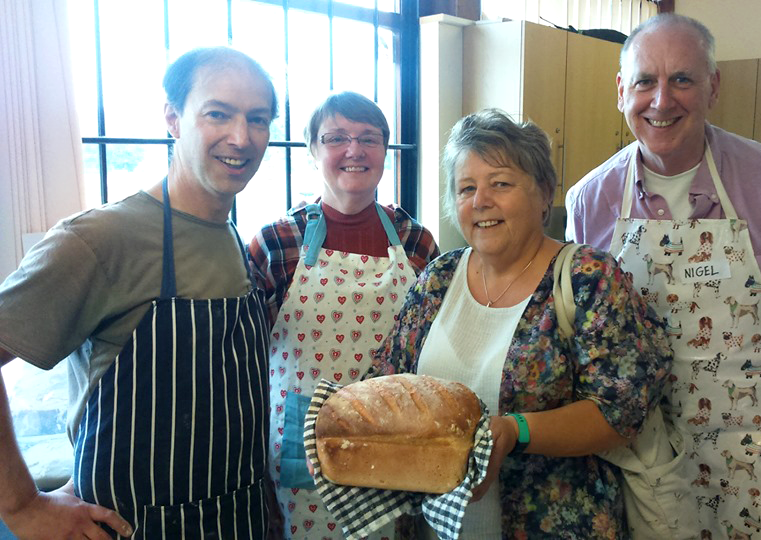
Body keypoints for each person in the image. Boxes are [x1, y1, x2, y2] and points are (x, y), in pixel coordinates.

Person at [565, 13, 761, 538]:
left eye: (683, 79)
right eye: (646, 81)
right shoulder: (590, 200)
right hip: (643, 459)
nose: (661, 100)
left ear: (713, 86)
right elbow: (586, 323)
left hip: (760, 452)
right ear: (621, 90)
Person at [0, 47, 277, 538]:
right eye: (218, 114)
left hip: (243, 520)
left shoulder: (234, 237)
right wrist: (21, 504)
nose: (241, 137)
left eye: (258, 119)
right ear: (173, 117)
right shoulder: (101, 239)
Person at [371, 108, 672, 539]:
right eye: (466, 188)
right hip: (433, 526)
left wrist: (517, 430)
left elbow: (621, 410)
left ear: (543, 191)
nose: (480, 201)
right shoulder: (438, 279)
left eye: (500, 183)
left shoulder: (588, 278)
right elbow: (390, 377)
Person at [246, 91, 439, 539]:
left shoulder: (416, 241)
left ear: (385, 152)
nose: (354, 150)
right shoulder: (277, 242)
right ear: (313, 150)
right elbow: (246, 362)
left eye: (368, 138)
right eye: (336, 138)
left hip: (396, 439)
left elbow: (435, 346)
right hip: (306, 443)